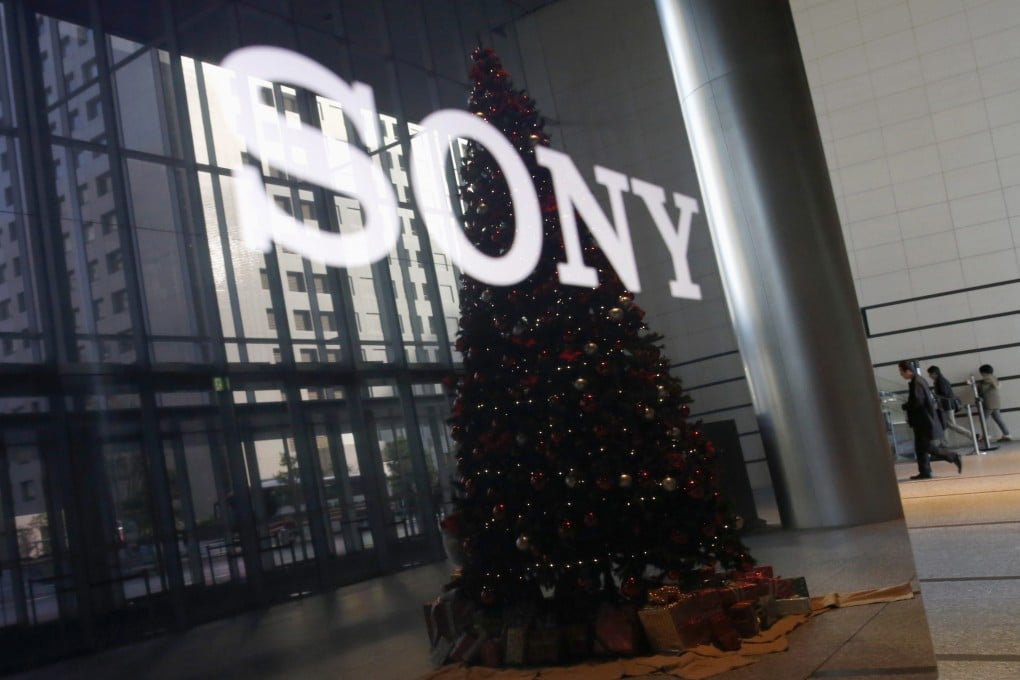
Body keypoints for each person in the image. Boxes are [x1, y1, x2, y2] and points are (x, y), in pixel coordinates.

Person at [899, 360, 962, 479]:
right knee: (920, 447)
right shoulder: (918, 380)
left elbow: (918, 402)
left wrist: (906, 406)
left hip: (923, 420)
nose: (901, 374)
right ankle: (925, 471)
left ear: (908, 371)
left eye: (901, 372)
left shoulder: (916, 382)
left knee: (926, 447)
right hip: (922, 420)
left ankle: (952, 456)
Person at [927, 366, 974, 444]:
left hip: (947, 406)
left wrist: (934, 395)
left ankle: (973, 436)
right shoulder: (939, 381)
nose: (929, 376)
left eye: (930, 374)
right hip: (945, 406)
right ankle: (944, 443)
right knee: (944, 424)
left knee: (950, 424)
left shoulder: (941, 381)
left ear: (935, 373)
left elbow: (946, 395)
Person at [976, 364, 1012, 442]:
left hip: (989, 403)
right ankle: (1007, 434)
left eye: (981, 373)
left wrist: (975, 385)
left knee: (983, 419)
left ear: (984, 372)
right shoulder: (994, 378)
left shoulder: (986, 380)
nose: (981, 375)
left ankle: (986, 435)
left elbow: (982, 390)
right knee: (998, 419)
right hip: (996, 403)